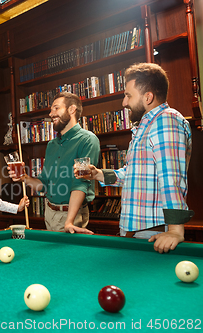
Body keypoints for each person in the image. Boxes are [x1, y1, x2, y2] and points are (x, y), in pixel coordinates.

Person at [76, 63, 193, 253]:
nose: (124, 102)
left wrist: (175, 230)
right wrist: (98, 174)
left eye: (128, 95)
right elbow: (134, 173)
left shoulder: (166, 120)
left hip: (154, 231)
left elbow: (171, 177)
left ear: (148, 97)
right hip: (137, 229)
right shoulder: (145, 126)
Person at [9, 92, 100, 234]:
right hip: (49, 212)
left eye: (56, 108)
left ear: (72, 110)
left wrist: (69, 221)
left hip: (71, 214)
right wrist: (25, 178)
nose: (51, 114)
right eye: (51, 110)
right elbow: (44, 184)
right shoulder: (52, 145)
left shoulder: (87, 140)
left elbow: (81, 183)